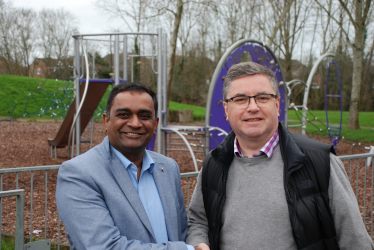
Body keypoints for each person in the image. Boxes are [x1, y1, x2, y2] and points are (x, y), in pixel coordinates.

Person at [186, 62, 374, 250]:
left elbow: (355, 241)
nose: (252, 107)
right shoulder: (214, 163)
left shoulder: (320, 163)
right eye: (241, 99)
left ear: (276, 105)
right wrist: (199, 244)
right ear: (227, 110)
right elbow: (198, 221)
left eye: (262, 97)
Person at [56, 82, 200, 250]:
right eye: (124, 115)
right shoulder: (79, 173)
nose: (135, 123)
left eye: (144, 116)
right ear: (106, 121)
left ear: (155, 124)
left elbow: (180, 232)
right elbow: (103, 246)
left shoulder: (168, 168)